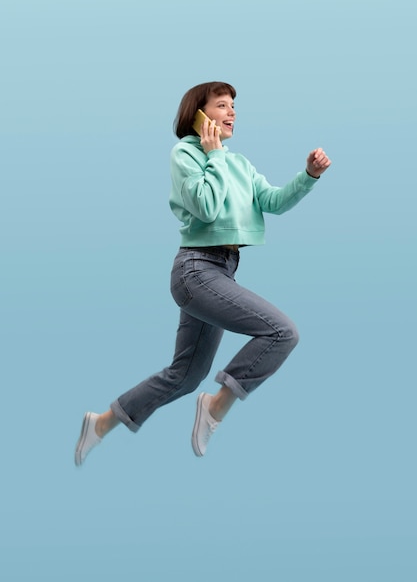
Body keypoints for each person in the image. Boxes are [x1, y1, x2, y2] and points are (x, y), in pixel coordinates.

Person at [75, 81, 331, 466]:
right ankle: (217, 405)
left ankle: (101, 423)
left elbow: (273, 201)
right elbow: (208, 208)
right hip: (196, 270)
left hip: (221, 273)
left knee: (185, 375)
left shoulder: (238, 163)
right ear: (197, 113)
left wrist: (308, 175)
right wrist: (213, 155)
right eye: (222, 105)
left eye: (234, 107)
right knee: (282, 332)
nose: (232, 113)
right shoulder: (185, 155)